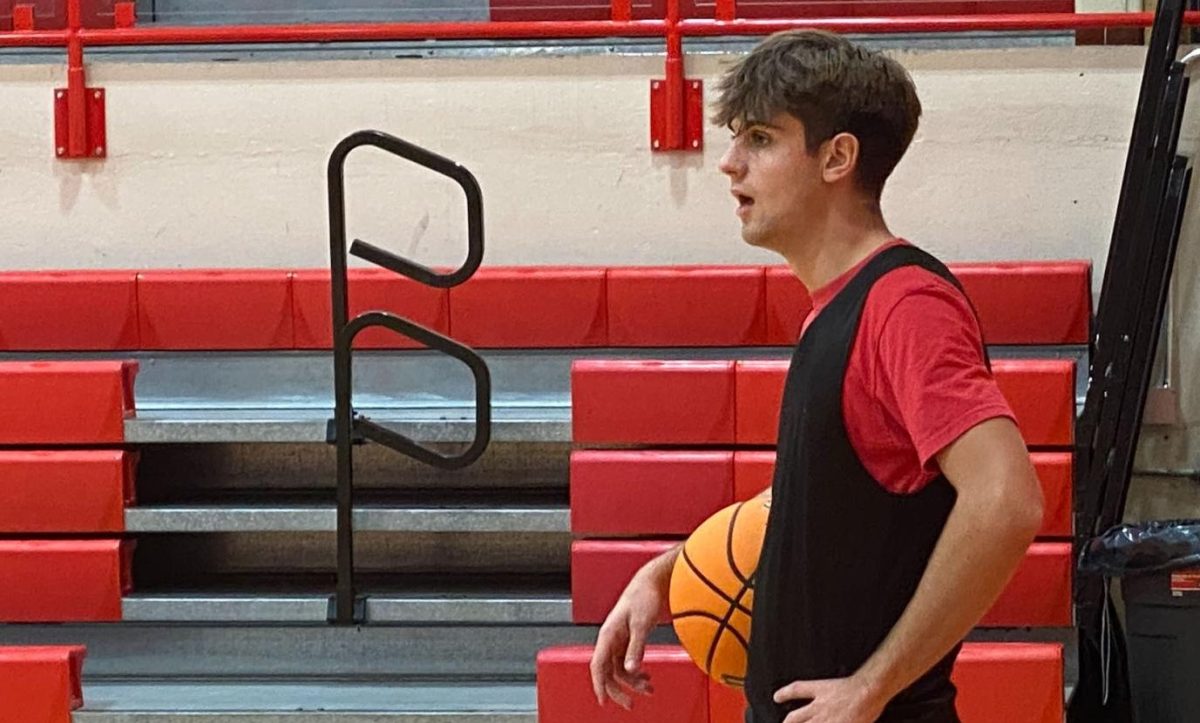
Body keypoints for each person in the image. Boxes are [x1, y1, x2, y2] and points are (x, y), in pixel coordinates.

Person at [589, 30, 1046, 723]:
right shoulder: (832, 309)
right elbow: (817, 508)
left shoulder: (905, 303)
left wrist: (872, 683)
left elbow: (1007, 499)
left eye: (762, 139)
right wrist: (668, 574)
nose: (730, 163)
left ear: (837, 156)